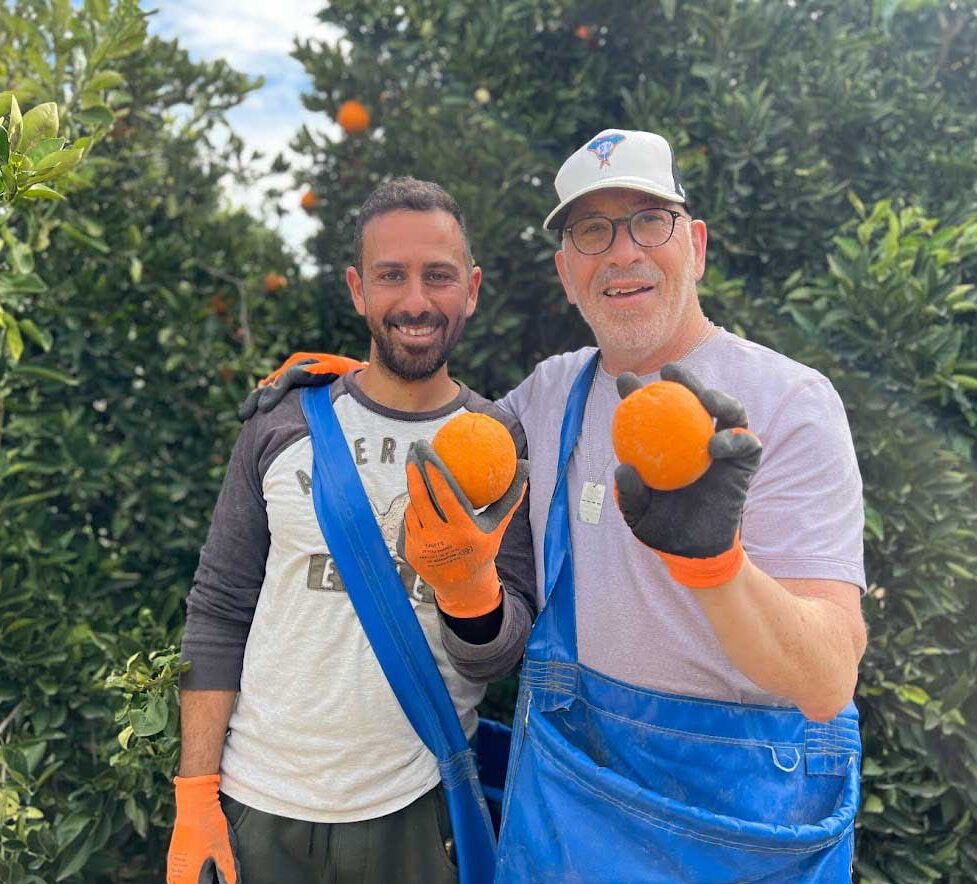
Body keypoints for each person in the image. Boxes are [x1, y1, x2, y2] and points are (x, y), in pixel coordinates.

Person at [246, 130, 868, 880]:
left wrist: (717, 566)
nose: (622, 252)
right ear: (566, 273)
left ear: (694, 244)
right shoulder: (550, 394)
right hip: (567, 813)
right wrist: (359, 380)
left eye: (648, 220)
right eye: (591, 232)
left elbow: (828, 678)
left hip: (736, 822)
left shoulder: (789, 403)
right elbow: (455, 431)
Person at [166, 178, 535, 884]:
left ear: (473, 288)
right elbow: (218, 613)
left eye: (439, 276)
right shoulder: (283, 422)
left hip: (419, 814)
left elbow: (500, 658)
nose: (416, 301)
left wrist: (470, 592)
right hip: (258, 807)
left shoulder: (498, 440)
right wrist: (193, 800)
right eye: (390, 276)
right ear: (357, 289)